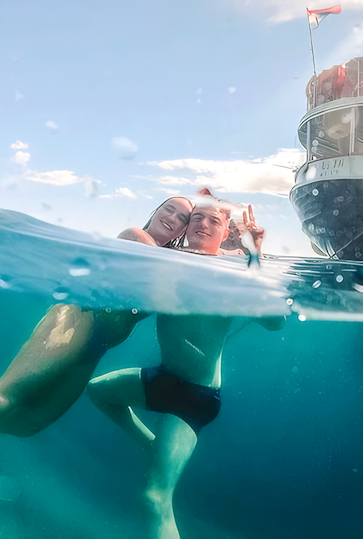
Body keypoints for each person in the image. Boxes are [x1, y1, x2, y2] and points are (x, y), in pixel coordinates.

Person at [86, 199, 274, 539]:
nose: (201, 224)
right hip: (164, 377)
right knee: (97, 391)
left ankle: (161, 453)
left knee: (155, 497)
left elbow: (275, 322)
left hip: (195, 396)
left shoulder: (235, 269)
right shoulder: (168, 260)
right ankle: (154, 445)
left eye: (212, 220)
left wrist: (255, 257)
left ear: (227, 231)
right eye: (195, 218)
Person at [0, 197, 193, 438]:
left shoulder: (176, 263)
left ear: (185, 228)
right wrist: (208, 253)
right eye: (169, 209)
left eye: (183, 218)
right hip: (75, 320)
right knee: (7, 397)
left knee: (28, 424)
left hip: (97, 347)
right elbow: (161, 263)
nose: (173, 218)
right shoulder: (135, 237)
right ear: (155, 211)